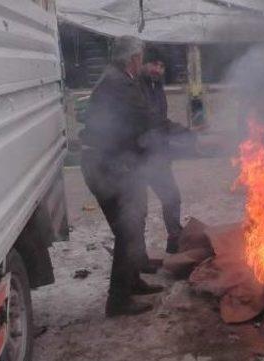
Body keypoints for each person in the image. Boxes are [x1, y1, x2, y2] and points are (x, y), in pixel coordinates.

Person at [80, 36, 164, 317]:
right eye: (140, 56)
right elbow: (147, 120)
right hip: (106, 167)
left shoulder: (119, 78)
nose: (142, 61)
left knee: (135, 220)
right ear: (133, 59)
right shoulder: (118, 84)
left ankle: (133, 281)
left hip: (117, 163)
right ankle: (118, 301)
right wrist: (189, 139)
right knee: (127, 230)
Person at [139, 46, 195, 257]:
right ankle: (138, 257)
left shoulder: (156, 87)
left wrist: (185, 132)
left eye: (162, 66)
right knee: (137, 211)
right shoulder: (136, 87)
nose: (158, 69)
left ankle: (174, 240)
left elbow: (161, 122)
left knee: (171, 198)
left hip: (156, 157)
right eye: (154, 64)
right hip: (139, 157)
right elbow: (147, 123)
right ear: (144, 63)